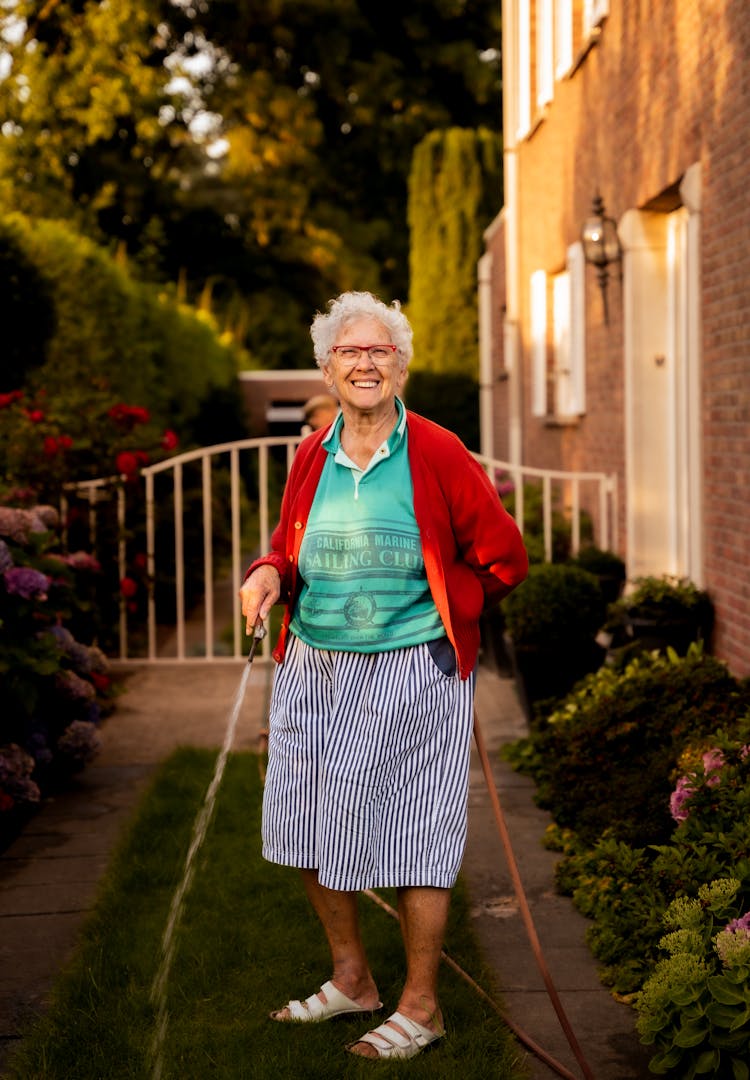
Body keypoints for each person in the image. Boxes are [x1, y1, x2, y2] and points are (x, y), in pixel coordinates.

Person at [239, 290, 528, 1061]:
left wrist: (449, 613)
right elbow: (287, 542)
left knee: (414, 835)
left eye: (380, 351)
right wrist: (269, 572)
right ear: (327, 367)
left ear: (400, 365)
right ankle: (353, 980)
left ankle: (422, 1006)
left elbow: (505, 557)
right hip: (314, 666)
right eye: (349, 351)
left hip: (414, 669)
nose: (365, 363)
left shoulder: (436, 451)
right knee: (302, 823)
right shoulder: (312, 453)